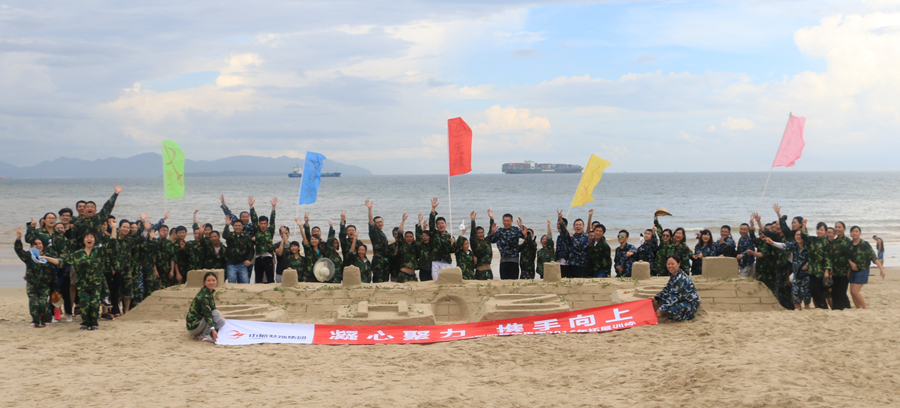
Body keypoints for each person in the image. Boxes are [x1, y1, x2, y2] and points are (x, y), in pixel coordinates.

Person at [70, 220, 117, 330]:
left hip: (96, 284)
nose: (89, 239)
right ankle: (85, 323)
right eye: (87, 237)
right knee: (85, 304)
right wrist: (46, 258)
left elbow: (112, 243)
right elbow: (62, 262)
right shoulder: (77, 254)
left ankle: (94, 323)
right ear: (83, 240)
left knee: (94, 304)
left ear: (95, 240)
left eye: (91, 237)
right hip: (82, 285)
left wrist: (114, 227)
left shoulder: (99, 252)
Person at [14, 228, 61, 328]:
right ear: (32, 246)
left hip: (44, 286)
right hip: (32, 286)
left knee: (43, 304)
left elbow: (53, 274)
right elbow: (19, 251)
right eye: (35, 244)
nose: (38, 245)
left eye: (40, 243)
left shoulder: (47, 257)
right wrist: (18, 239)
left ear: (43, 245)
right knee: (34, 304)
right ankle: (35, 321)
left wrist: (56, 288)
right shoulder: (29, 257)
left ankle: (45, 320)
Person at [766, 231, 811, 310]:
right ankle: (798, 310)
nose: (799, 236)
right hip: (796, 274)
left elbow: (813, 256)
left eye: (800, 235)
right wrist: (773, 243)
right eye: (797, 235)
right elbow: (784, 246)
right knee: (795, 293)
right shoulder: (794, 245)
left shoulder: (808, 246)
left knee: (806, 294)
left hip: (806, 275)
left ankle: (807, 309)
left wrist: (808, 264)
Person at [653, 256, 701, 321]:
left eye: (672, 264)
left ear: (678, 264)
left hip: (690, 303)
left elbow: (673, 296)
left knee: (669, 310)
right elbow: (666, 289)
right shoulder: (674, 275)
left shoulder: (681, 278)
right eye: (668, 264)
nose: (670, 266)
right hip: (681, 300)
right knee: (664, 303)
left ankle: (688, 316)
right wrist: (656, 298)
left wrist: (662, 309)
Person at [847, 226, 884, 309]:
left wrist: (881, 268)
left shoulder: (865, 244)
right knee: (852, 293)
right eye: (852, 231)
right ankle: (858, 309)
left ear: (860, 233)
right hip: (853, 271)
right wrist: (851, 263)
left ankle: (865, 308)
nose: (854, 233)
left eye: (856, 231)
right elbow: (847, 257)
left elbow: (873, 257)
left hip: (863, 270)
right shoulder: (849, 245)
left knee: (855, 291)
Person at [186, 272, 226, 343]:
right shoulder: (204, 295)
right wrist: (213, 330)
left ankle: (201, 333)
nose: (211, 282)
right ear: (204, 282)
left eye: (213, 280)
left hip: (201, 322)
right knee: (216, 313)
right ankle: (204, 335)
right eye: (208, 280)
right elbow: (207, 314)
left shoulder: (209, 293)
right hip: (194, 326)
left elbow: (212, 308)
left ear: (216, 281)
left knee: (221, 321)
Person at [487, 209, 526, 280]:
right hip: (503, 260)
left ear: (511, 221)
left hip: (514, 260)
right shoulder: (500, 231)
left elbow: (525, 237)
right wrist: (492, 232)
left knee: (513, 281)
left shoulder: (516, 230)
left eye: (508, 221)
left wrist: (521, 227)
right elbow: (491, 240)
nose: (506, 222)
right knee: (503, 280)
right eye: (504, 221)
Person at [803, 221, 832, 309]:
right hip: (812, 269)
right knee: (812, 290)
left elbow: (828, 257)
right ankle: (819, 307)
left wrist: (827, 271)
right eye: (818, 229)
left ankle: (824, 307)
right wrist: (804, 225)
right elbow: (804, 236)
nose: (819, 231)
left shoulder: (827, 243)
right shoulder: (813, 240)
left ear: (825, 231)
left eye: (822, 230)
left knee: (817, 290)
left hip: (821, 270)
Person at [250, 196, 277, 283]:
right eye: (261, 223)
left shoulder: (270, 231)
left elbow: (272, 221)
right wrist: (251, 207)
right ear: (259, 224)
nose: (263, 225)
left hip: (268, 257)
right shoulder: (257, 230)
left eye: (264, 223)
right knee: (258, 279)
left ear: (267, 224)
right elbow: (254, 219)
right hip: (258, 258)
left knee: (270, 278)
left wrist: (273, 208)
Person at [364, 200, 391, 283]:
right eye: (378, 222)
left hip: (385, 260)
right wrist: (369, 209)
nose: (380, 223)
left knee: (385, 281)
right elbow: (370, 223)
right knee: (378, 281)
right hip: (378, 260)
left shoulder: (382, 233)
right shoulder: (374, 232)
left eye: (381, 221)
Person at [558, 211, 590, 278]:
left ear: (583, 226)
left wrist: (572, 237)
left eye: (580, 225)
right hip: (571, 265)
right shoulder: (572, 235)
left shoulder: (586, 236)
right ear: (573, 227)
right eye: (576, 225)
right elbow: (564, 231)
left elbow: (578, 246)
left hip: (581, 265)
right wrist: (560, 219)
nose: (578, 226)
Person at [428, 198, 454, 281]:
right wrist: (433, 208)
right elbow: (431, 222)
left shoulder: (450, 236)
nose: (441, 225)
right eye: (438, 224)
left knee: (447, 282)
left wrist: (453, 243)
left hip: (446, 262)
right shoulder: (434, 234)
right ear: (436, 226)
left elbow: (453, 250)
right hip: (436, 262)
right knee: (436, 282)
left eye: (442, 223)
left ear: (445, 225)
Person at [829, 221, 853, 310]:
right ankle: (836, 309)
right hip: (835, 272)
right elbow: (831, 256)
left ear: (844, 229)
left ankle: (847, 308)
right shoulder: (834, 242)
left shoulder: (848, 242)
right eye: (836, 227)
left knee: (841, 292)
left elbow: (851, 257)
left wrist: (849, 270)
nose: (837, 229)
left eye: (839, 227)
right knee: (834, 292)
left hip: (844, 272)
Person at [223, 217, 254, 283]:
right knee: (232, 280)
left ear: (242, 227)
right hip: (231, 263)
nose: (237, 227)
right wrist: (227, 225)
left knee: (245, 281)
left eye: (239, 226)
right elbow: (224, 235)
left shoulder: (246, 236)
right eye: (236, 225)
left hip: (242, 263)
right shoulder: (230, 235)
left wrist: (249, 259)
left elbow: (251, 249)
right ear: (233, 226)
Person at [470, 212, 494, 281]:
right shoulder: (475, 242)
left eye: (482, 232)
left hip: (489, 271)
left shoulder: (487, 241)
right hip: (480, 272)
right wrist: (473, 220)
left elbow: (491, 230)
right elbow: (472, 233)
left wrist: (491, 218)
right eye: (479, 233)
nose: (481, 234)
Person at [395, 214, 418, 283]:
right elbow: (399, 233)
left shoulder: (415, 246)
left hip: (413, 275)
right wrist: (403, 221)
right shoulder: (402, 245)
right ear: (404, 238)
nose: (409, 238)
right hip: (403, 274)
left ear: (413, 238)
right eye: (407, 237)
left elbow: (420, 237)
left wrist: (420, 223)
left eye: (410, 237)